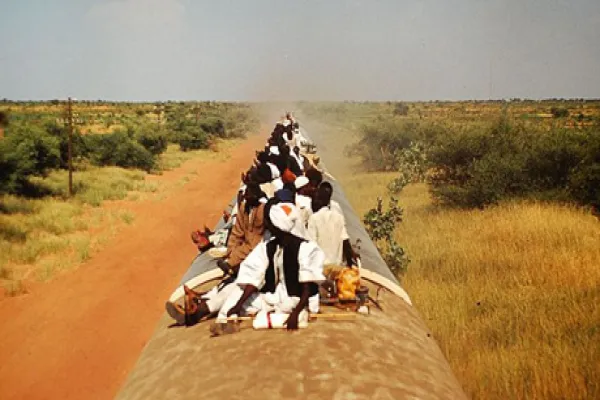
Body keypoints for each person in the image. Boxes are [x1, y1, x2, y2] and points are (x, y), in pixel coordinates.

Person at [218, 202, 326, 330]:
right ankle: (225, 322)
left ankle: (293, 314)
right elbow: (254, 277)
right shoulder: (269, 246)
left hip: (295, 300)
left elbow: (307, 288)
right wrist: (238, 305)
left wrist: (295, 314)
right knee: (238, 293)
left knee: (286, 308)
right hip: (275, 296)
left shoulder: (306, 249)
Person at [307, 183, 355, 267]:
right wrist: (350, 263)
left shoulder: (313, 218)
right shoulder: (339, 218)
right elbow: (345, 241)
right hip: (336, 267)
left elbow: (312, 245)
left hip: (320, 267)